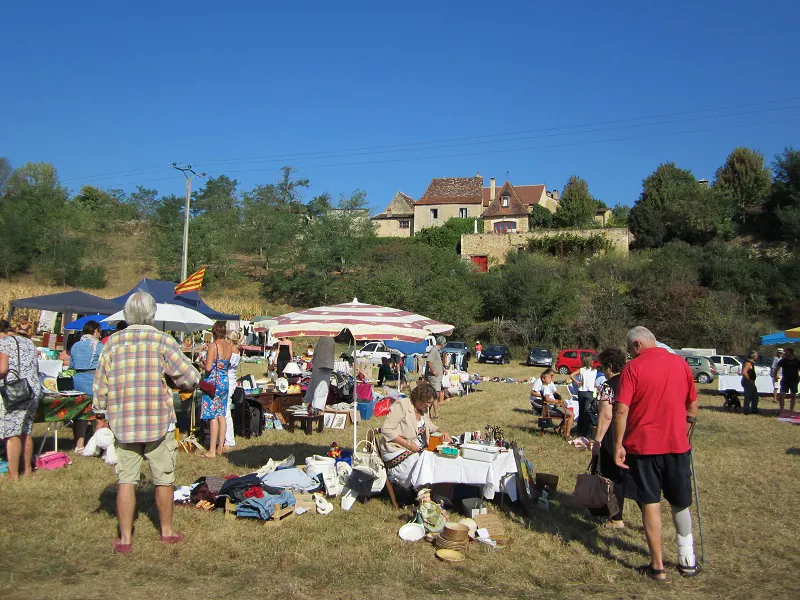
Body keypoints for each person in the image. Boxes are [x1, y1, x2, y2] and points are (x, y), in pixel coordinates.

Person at [93, 291, 200, 553]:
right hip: (157, 421)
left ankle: (126, 539)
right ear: (153, 314)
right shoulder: (162, 340)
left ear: (127, 314)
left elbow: (100, 384)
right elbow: (190, 377)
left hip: (123, 422)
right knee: (163, 478)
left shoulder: (112, 343)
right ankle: (166, 531)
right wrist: (177, 382)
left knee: (126, 480)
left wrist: (99, 415)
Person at [613, 326, 700, 581]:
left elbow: (621, 410)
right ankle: (687, 560)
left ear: (638, 345)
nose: (630, 354)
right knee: (680, 503)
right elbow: (692, 406)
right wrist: (685, 433)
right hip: (677, 446)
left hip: (643, 447)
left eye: (630, 350)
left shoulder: (633, 368)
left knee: (650, 503)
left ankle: (658, 566)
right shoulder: (680, 364)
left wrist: (618, 444)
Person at [379, 382, 450, 488]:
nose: (429, 406)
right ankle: (420, 490)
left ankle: (434, 490)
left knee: (435, 459)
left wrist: (440, 431)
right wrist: (407, 444)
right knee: (422, 465)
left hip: (414, 447)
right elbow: (386, 429)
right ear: (419, 398)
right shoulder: (402, 405)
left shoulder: (423, 409)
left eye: (430, 403)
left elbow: (428, 424)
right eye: (427, 402)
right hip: (395, 448)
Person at [589, 348, 627, 528]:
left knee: (611, 477)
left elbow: (606, 416)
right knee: (634, 477)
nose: (602, 371)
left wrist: (597, 441)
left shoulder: (607, 386)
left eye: (603, 367)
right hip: (632, 433)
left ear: (610, 366)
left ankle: (616, 518)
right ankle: (649, 514)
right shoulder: (632, 382)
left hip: (613, 436)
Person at [0, 319, 42, 482]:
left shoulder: (4, 343)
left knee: (12, 433)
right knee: (26, 430)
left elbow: (3, 369)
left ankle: (13, 474)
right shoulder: (28, 342)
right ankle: (27, 469)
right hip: (33, 388)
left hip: (15, 391)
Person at [69, 320, 105, 452]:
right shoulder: (99, 346)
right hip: (93, 381)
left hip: (77, 381)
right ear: (95, 331)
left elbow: (72, 365)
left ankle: (79, 445)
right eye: (99, 332)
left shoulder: (75, 346)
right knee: (99, 414)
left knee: (80, 415)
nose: (100, 335)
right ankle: (96, 446)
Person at [200, 321, 233, 458]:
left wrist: (200, 363)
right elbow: (225, 364)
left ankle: (212, 451)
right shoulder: (229, 346)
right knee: (222, 414)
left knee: (212, 416)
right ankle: (220, 447)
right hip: (225, 382)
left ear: (213, 332)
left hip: (213, 382)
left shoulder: (213, 345)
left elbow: (208, 368)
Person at [531, 368, 573, 439]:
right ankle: (567, 434)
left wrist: (558, 399)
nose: (551, 378)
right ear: (544, 379)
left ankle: (558, 429)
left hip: (552, 405)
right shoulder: (544, 386)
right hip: (550, 407)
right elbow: (546, 398)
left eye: (552, 377)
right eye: (550, 377)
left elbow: (554, 392)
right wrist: (556, 401)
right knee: (571, 415)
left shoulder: (547, 385)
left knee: (570, 414)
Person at [570, 354, 598, 438]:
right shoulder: (595, 371)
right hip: (590, 392)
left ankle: (580, 428)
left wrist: (577, 382)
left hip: (582, 391)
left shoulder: (581, 370)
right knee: (587, 411)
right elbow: (593, 382)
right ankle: (586, 430)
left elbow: (571, 375)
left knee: (581, 411)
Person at [224, 330, 242, 448]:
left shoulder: (232, 351)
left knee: (226, 412)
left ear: (229, 340)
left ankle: (229, 439)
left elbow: (225, 365)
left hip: (229, 382)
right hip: (230, 381)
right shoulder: (234, 350)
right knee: (225, 411)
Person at [775, 347, 800, 416]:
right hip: (785, 380)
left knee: (793, 396)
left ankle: (791, 410)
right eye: (785, 352)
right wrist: (775, 376)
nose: (785, 353)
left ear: (791, 353)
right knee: (782, 395)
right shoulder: (783, 361)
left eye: (786, 352)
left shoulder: (796, 361)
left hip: (794, 380)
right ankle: (782, 410)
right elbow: (776, 368)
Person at [425, 336, 446, 418]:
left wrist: (443, 369)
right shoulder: (434, 350)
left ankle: (432, 414)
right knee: (434, 395)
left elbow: (437, 362)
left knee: (434, 395)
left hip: (437, 377)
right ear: (442, 343)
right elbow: (429, 361)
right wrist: (433, 370)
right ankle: (432, 413)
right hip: (433, 377)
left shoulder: (437, 351)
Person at [741, 350, 759, 415]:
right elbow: (744, 372)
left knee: (755, 396)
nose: (757, 357)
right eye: (756, 356)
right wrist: (749, 379)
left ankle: (754, 409)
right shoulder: (748, 363)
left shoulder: (751, 363)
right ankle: (746, 410)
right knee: (748, 396)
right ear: (753, 356)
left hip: (750, 382)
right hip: (747, 382)